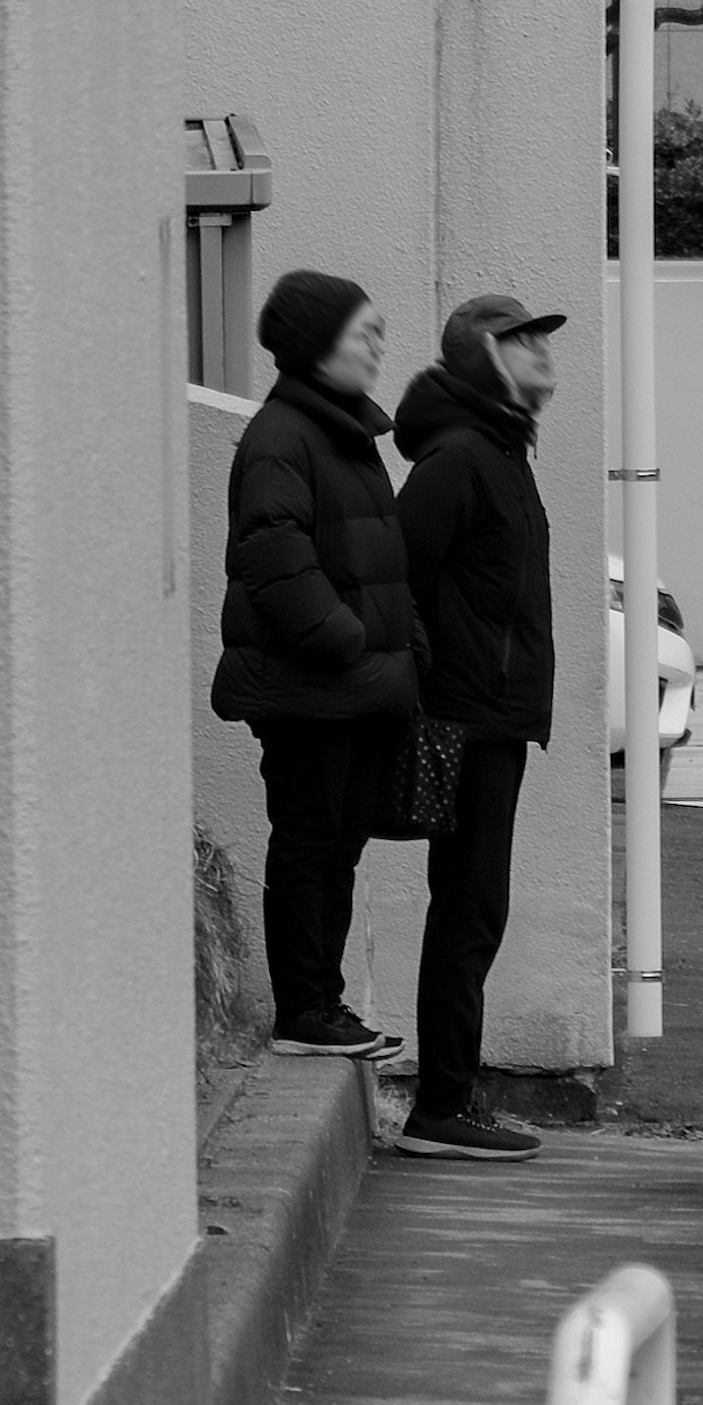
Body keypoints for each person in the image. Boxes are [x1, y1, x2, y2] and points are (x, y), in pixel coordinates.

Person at [211, 268, 418, 1054]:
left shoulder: (340, 432)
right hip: (311, 689)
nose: (377, 345)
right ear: (315, 342)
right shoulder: (283, 436)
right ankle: (305, 1009)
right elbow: (273, 557)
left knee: (337, 847)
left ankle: (323, 1004)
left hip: (353, 688)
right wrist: (348, 639)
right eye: (362, 331)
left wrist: (400, 647)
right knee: (308, 841)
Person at [389, 288, 564, 1164]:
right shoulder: (461, 458)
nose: (544, 354)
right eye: (525, 342)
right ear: (484, 358)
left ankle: (448, 1100)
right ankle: (442, 1106)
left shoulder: (502, 451)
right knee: (467, 910)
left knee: (474, 908)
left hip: (491, 720)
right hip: (464, 721)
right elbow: (396, 578)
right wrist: (436, 687)